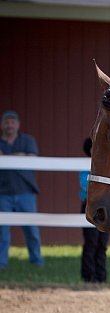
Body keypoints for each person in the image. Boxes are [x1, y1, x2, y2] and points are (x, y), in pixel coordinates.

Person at [0, 110, 44, 269]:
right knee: (2, 231)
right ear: (2, 125)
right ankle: (1, 264)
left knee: (31, 230)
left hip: (26, 192)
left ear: (18, 125)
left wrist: (12, 156)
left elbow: (33, 159)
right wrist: (18, 155)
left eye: (12, 122)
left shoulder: (27, 140)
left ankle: (37, 261)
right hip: (3, 193)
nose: (9, 125)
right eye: (6, 122)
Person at [80, 138, 109, 282]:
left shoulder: (109, 165)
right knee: (91, 242)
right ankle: (88, 276)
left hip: (106, 206)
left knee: (102, 243)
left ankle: (101, 276)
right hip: (90, 204)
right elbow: (86, 185)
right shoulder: (85, 166)